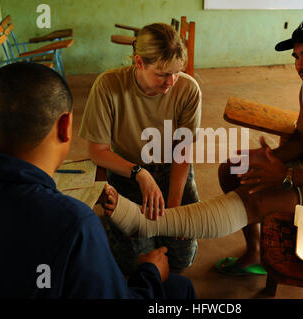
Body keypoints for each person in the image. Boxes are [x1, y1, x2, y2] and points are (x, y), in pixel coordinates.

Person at [101, 15, 303, 278]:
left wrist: (286, 176)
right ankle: (255, 252)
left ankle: (147, 224)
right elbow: (302, 139)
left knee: (254, 200)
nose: (300, 65)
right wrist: (270, 159)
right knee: (234, 170)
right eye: (296, 56)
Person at [0, 62, 196, 299]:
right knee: (180, 287)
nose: (169, 81)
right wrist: (150, 273)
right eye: (162, 74)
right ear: (65, 126)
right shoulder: (75, 224)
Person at [79, 23, 202, 275]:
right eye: (162, 74)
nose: (171, 82)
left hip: (172, 169)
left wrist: (174, 207)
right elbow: (97, 151)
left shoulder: (188, 89)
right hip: (127, 173)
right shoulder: (108, 86)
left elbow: (183, 150)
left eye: (176, 72)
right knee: (139, 262)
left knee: (182, 256)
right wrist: (139, 173)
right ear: (138, 62)